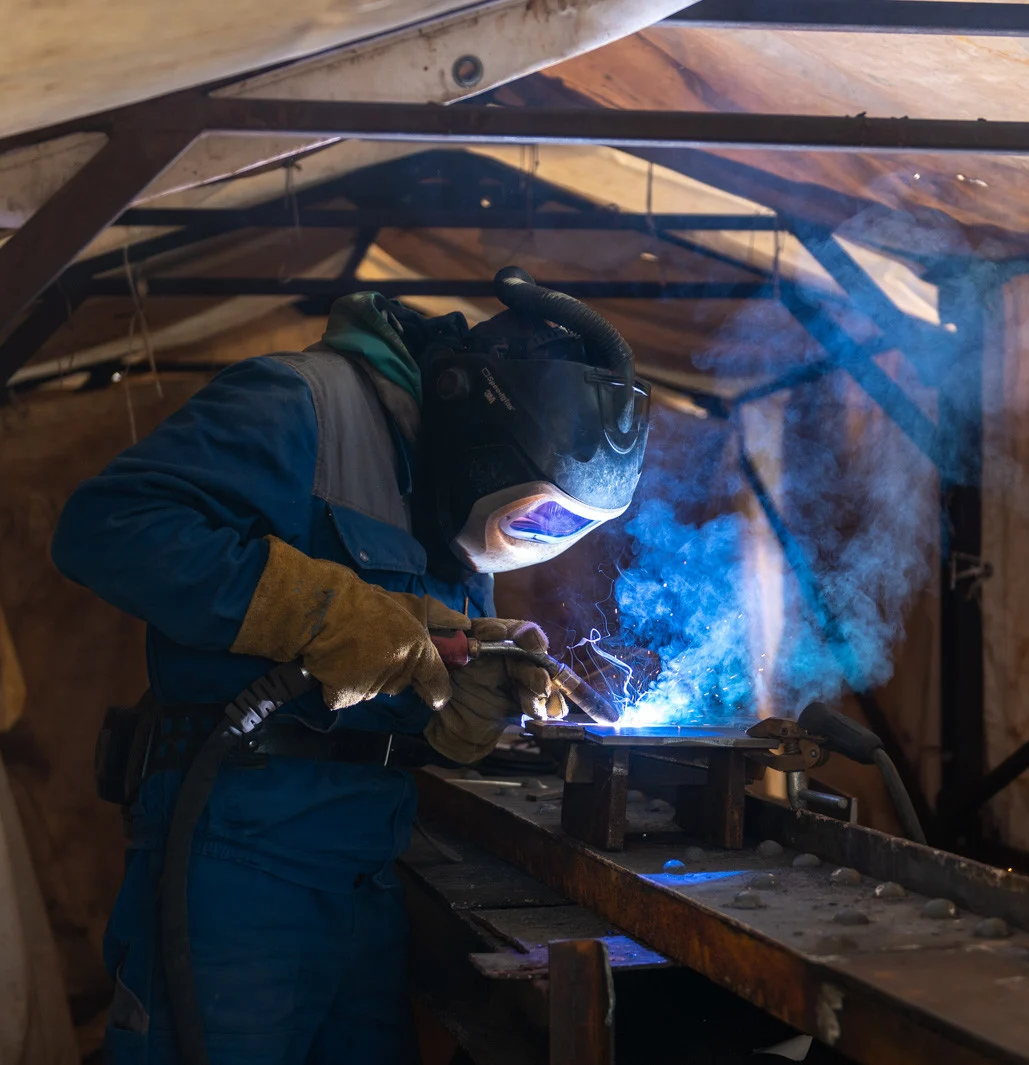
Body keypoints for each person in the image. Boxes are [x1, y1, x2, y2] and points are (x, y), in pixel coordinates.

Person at [52, 268, 649, 1065]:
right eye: (539, 514)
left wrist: (468, 693)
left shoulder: (465, 496)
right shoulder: (300, 403)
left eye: (567, 526)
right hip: (240, 855)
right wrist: (319, 607)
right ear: (484, 435)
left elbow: (400, 657)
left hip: (370, 866)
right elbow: (103, 527)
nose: (538, 535)